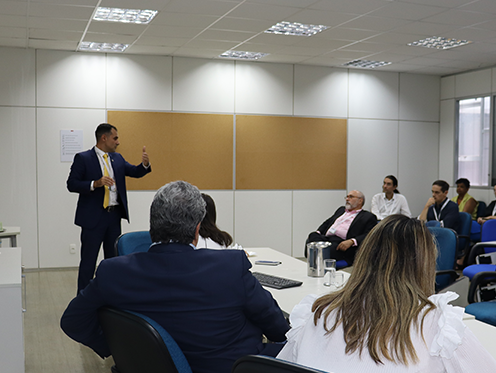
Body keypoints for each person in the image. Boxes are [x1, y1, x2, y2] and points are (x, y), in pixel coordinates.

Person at [60, 181, 290, 373]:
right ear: (198, 229)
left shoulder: (114, 272)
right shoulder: (230, 266)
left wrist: (119, 347)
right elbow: (278, 328)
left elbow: (72, 321)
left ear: (152, 226)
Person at [277, 215, 496, 373]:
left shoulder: (319, 312)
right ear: (424, 264)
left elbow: (283, 365)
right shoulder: (436, 323)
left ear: (365, 255)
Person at [66, 123, 151, 293]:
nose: (118, 142)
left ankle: (111, 295)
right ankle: (83, 300)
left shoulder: (117, 158)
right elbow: (72, 184)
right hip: (92, 219)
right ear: (104, 138)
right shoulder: (83, 158)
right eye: (115, 138)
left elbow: (134, 171)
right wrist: (95, 183)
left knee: (113, 261)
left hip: (113, 217)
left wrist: (144, 166)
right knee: (88, 262)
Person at [306, 190, 378, 267]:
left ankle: (317, 259)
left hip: (341, 243)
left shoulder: (368, 216)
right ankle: (317, 256)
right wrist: (318, 232)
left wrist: (352, 241)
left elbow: (369, 235)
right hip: (326, 239)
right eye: (347, 197)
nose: (347, 199)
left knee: (325, 248)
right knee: (312, 235)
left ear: (360, 200)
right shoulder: (341, 210)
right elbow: (328, 222)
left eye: (351, 197)